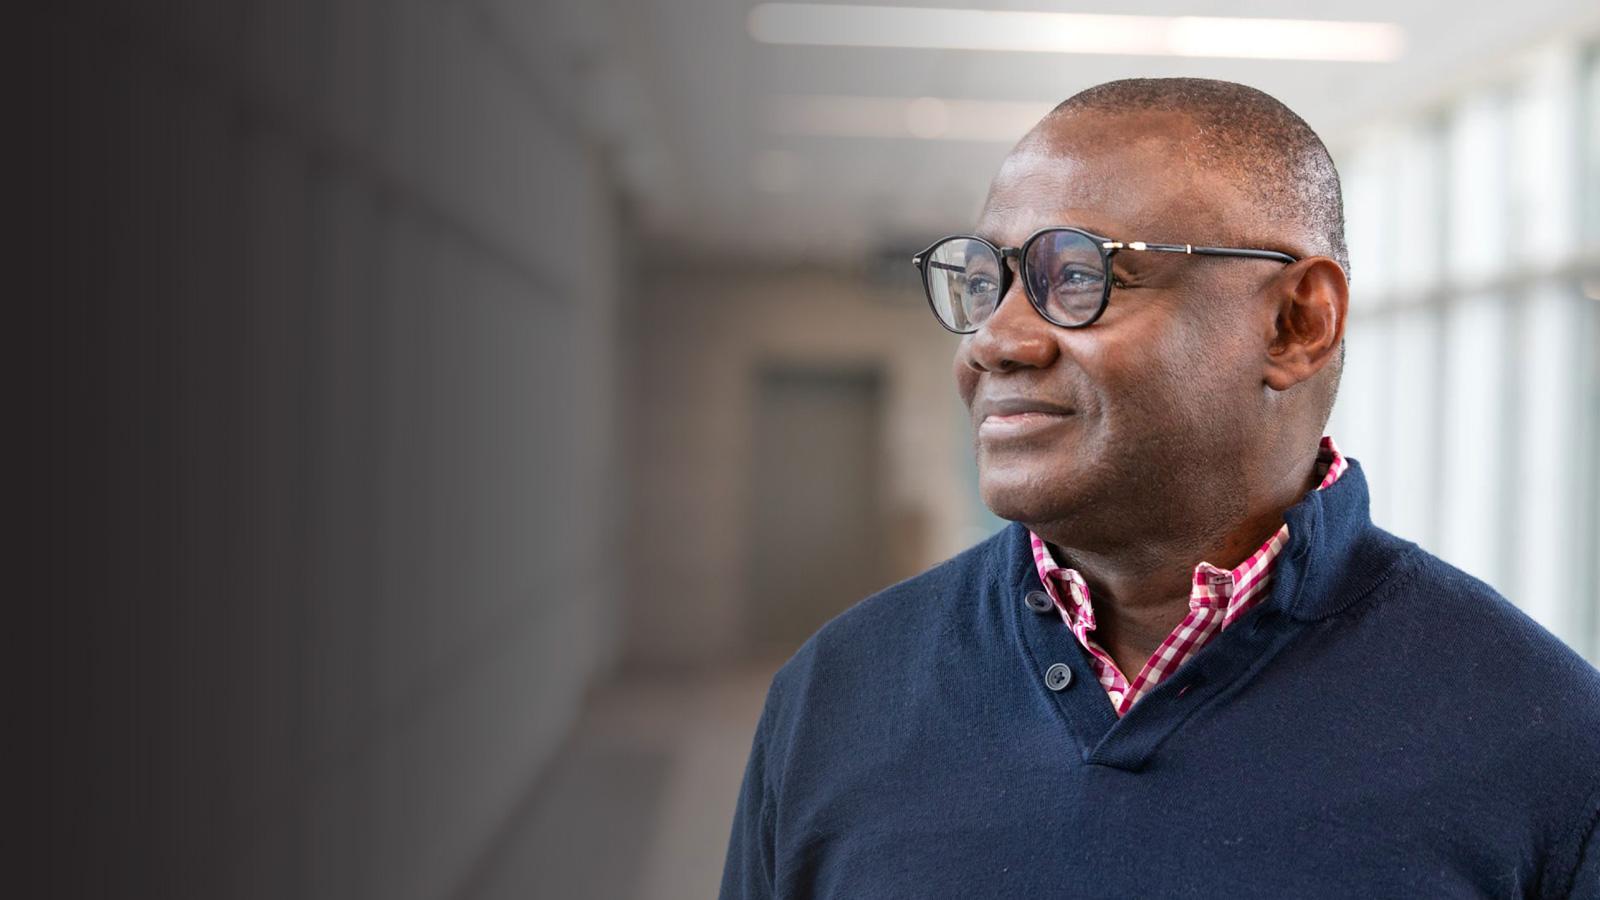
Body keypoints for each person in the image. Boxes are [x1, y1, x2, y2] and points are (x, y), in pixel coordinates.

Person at [718, 77, 1600, 898]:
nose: (995, 340)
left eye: (1077, 277)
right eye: (987, 280)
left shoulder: (1543, 738)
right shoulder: (838, 693)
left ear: (1298, 323)